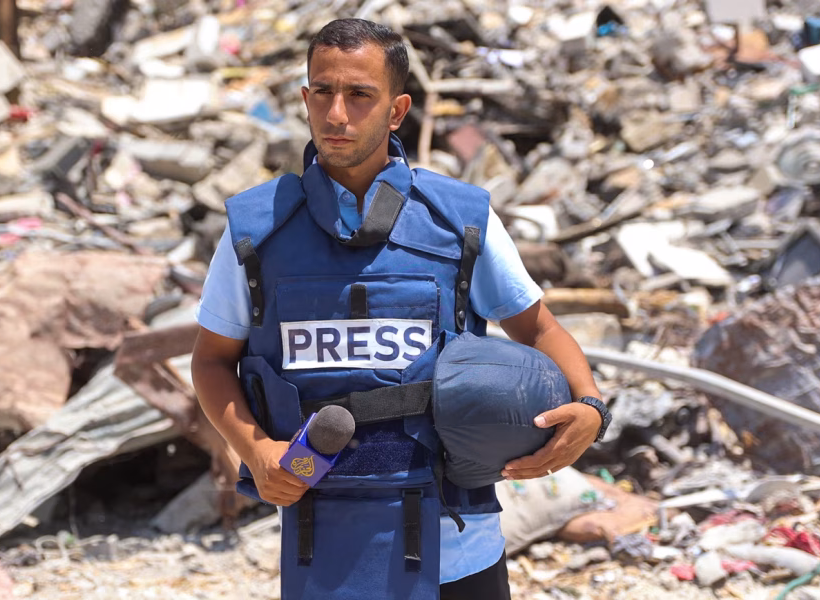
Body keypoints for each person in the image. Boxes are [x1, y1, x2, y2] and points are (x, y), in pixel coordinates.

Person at [191, 18, 607, 600]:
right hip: (323, 541)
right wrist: (255, 450)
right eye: (324, 93)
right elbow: (211, 361)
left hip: (457, 544)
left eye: (360, 95)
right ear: (305, 99)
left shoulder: (460, 219)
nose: (337, 115)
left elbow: (538, 328)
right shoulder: (255, 230)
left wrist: (589, 407)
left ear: (396, 110)